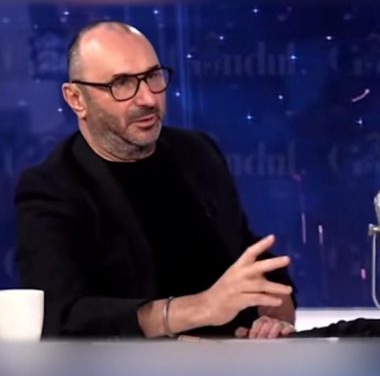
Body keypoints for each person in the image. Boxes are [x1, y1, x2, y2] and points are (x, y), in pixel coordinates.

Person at [15, 21, 296, 339]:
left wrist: (274, 312)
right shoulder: (53, 188)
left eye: (152, 76)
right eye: (122, 83)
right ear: (76, 99)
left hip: (236, 359)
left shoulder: (197, 153)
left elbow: (246, 257)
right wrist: (195, 310)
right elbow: (60, 317)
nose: (148, 98)